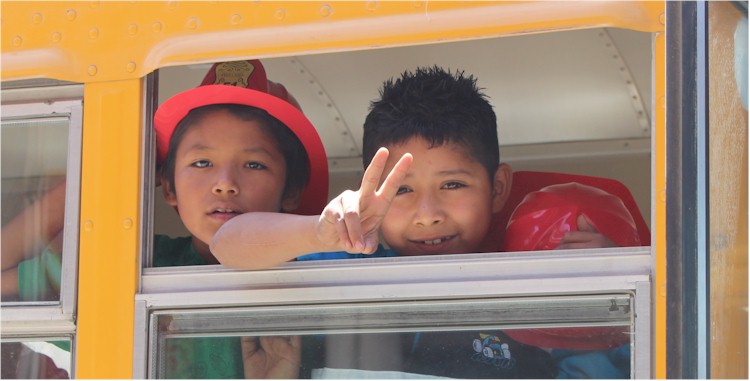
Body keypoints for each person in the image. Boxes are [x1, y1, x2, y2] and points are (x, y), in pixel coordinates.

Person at [211, 67, 631, 378]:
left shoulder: (528, 290)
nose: (428, 213)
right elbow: (227, 243)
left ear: (498, 187)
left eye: (452, 184)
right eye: (402, 190)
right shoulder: (348, 257)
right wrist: (317, 230)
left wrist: (601, 289)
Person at [2, 59, 329, 378]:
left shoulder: (319, 283)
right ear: (167, 185)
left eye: (254, 164)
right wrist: (112, 169)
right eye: (202, 163)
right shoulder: (140, 264)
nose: (224, 183)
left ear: (292, 190)